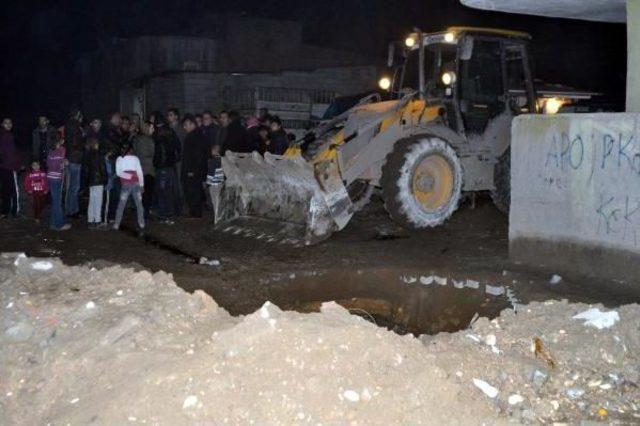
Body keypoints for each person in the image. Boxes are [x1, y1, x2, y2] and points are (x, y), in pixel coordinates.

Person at [152, 114, 181, 224]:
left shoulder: (158, 134)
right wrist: (174, 160)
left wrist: (156, 162)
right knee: (168, 191)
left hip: (162, 166)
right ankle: (169, 214)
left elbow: (157, 152)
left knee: (162, 191)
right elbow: (178, 147)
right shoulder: (170, 132)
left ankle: (164, 215)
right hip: (170, 166)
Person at [181, 114, 208, 218]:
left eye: (185, 125)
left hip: (193, 170)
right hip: (197, 170)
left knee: (193, 192)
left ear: (192, 124)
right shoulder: (199, 135)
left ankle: (195, 213)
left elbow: (196, 155)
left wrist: (191, 170)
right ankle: (195, 212)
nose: (184, 127)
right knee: (194, 191)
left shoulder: (193, 137)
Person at [113, 143, 145, 232]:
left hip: (126, 184)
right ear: (131, 150)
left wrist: (128, 177)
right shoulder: (135, 159)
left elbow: (118, 173)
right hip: (136, 184)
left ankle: (116, 223)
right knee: (139, 204)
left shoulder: (119, 159)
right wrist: (141, 184)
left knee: (121, 204)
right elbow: (140, 172)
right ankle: (141, 223)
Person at [64, 107, 85, 218]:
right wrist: (84, 139)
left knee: (72, 185)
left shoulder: (69, 125)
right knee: (74, 186)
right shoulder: (75, 126)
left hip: (71, 157)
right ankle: (72, 210)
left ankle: (71, 209)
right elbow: (75, 143)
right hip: (75, 158)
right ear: (77, 115)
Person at [46, 137, 71, 230]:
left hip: (51, 177)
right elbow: (56, 165)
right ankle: (59, 224)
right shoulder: (59, 151)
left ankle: (53, 223)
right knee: (57, 201)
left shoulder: (51, 152)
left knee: (55, 200)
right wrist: (64, 163)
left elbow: (49, 164)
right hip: (56, 178)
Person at [0, 118, 22, 218]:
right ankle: (14, 211)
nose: (8, 125)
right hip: (8, 167)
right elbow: (11, 153)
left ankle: (5, 211)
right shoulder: (6, 135)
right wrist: (17, 166)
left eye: (10, 123)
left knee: (6, 190)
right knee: (13, 190)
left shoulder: (6, 135)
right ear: (2, 124)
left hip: (5, 166)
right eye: (6, 123)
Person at [133, 121, 155, 218]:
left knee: (144, 192)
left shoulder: (138, 139)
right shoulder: (146, 140)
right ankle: (144, 212)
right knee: (147, 192)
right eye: (151, 127)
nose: (153, 130)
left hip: (142, 168)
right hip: (147, 169)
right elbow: (149, 153)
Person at [85, 137, 107, 228]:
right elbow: (102, 168)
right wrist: (105, 179)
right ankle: (97, 220)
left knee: (92, 200)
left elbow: (86, 169)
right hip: (98, 180)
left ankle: (90, 220)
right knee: (98, 201)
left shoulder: (87, 155)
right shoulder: (99, 154)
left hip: (91, 181)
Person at [206, 144, 225, 221]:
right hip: (221, 183)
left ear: (214, 151)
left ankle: (216, 219)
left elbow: (211, 173)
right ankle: (221, 217)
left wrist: (208, 183)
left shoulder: (213, 161)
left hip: (214, 184)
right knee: (220, 201)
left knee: (215, 202)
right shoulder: (223, 160)